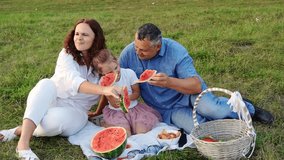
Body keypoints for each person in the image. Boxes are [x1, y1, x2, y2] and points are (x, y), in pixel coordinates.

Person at [119, 23, 275, 134]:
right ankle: (228, 107)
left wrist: (168, 82)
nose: (138, 53)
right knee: (202, 130)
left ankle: (248, 108)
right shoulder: (128, 53)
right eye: (136, 47)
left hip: (189, 93)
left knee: (215, 110)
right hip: (168, 108)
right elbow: (118, 78)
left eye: (144, 51)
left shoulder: (176, 51)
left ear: (157, 46)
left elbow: (196, 86)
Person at [0, 18, 121, 160]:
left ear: (96, 39)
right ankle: (23, 146)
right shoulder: (67, 54)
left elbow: (108, 91)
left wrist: (99, 110)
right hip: (51, 100)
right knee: (46, 83)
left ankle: (18, 130)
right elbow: (73, 81)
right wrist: (103, 90)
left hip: (76, 112)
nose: (79, 38)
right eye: (77, 34)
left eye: (85, 35)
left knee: (55, 122)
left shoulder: (103, 61)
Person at [91, 49, 162, 136]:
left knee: (142, 131)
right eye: (110, 72)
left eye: (116, 68)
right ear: (101, 72)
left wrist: (126, 97)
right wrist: (116, 96)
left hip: (134, 110)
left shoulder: (129, 73)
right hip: (116, 112)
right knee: (124, 134)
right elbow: (114, 104)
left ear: (117, 61)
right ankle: (105, 123)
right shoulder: (104, 82)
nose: (116, 72)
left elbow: (136, 93)